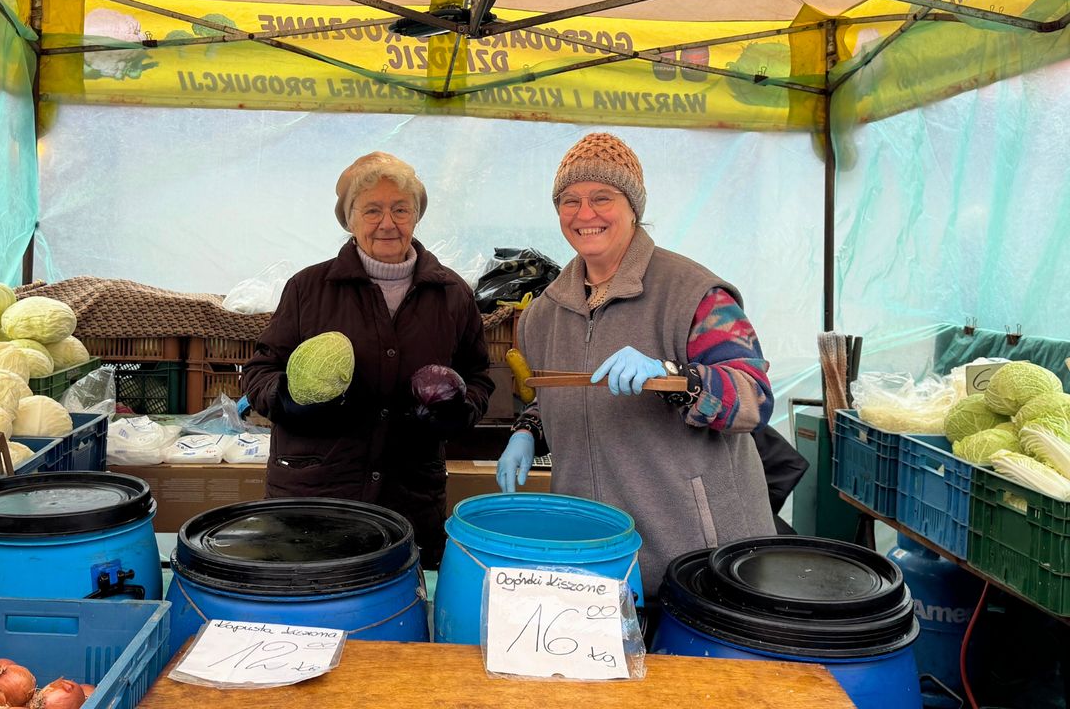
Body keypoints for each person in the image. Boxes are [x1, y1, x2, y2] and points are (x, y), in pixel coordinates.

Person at [495, 133, 776, 601]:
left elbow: (754, 399)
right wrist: (527, 429)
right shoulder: (543, 316)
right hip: (594, 559)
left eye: (602, 197)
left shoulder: (694, 295)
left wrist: (674, 378)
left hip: (700, 561)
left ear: (633, 207)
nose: (585, 214)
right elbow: (559, 398)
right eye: (570, 200)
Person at [242, 151, 494, 569]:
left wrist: (459, 411)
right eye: (372, 210)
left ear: (416, 216)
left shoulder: (452, 294)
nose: (387, 222)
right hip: (316, 495)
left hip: (409, 496)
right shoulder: (308, 288)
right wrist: (286, 400)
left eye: (400, 209)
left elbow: (478, 376)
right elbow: (260, 371)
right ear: (349, 219)